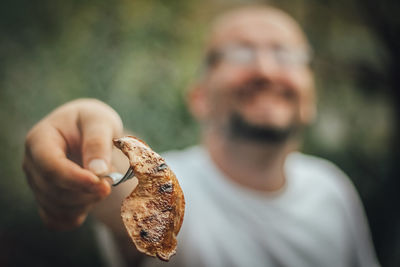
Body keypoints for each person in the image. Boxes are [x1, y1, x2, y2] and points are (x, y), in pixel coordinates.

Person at [22, 4, 380, 267]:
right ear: (200, 98)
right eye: (241, 53)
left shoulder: (333, 191)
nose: (266, 69)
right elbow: (137, 186)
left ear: (310, 97)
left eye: (286, 55)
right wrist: (87, 141)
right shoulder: (180, 191)